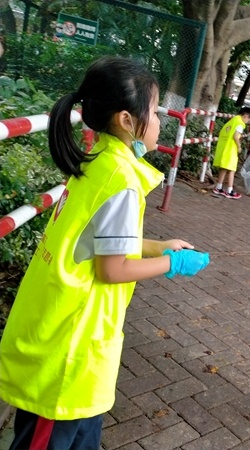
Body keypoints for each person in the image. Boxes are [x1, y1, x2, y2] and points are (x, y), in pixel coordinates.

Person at [0, 57, 210, 450]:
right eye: (155, 112)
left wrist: (159, 246)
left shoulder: (99, 161)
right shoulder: (122, 181)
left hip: (69, 339)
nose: (160, 122)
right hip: (69, 350)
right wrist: (173, 263)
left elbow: (96, 241)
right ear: (127, 121)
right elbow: (111, 269)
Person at [212, 107, 250, 199]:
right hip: (231, 149)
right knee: (232, 170)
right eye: (249, 120)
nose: (247, 122)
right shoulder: (240, 123)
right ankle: (229, 191)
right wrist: (239, 146)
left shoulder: (232, 120)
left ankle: (218, 187)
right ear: (246, 116)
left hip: (224, 147)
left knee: (224, 168)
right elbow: (236, 136)